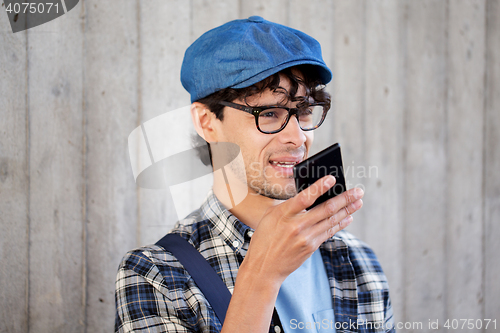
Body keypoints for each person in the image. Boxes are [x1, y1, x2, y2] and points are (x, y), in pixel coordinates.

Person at [115, 16, 395, 333]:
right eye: (270, 113)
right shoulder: (157, 275)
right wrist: (262, 275)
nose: (299, 137)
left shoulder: (357, 262)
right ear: (207, 122)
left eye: (303, 111)